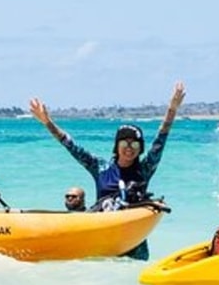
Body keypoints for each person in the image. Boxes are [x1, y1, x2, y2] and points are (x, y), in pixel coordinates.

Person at [29, 81, 187, 260]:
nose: (130, 148)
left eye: (135, 143)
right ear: (117, 145)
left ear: (140, 147)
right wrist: (47, 122)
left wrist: (172, 110)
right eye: (125, 143)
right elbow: (70, 145)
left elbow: (161, 138)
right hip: (102, 243)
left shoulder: (145, 169)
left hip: (134, 246)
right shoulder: (100, 168)